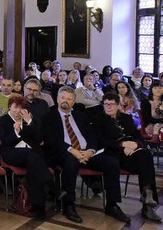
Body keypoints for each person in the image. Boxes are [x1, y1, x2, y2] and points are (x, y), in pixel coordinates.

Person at [41, 86, 129, 224]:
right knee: (71, 161)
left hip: (86, 153)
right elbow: (51, 140)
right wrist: (72, 150)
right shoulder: (48, 117)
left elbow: (92, 136)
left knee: (112, 163)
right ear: (57, 99)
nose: (66, 101)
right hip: (63, 152)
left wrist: (90, 151)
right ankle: (69, 204)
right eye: (63, 97)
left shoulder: (81, 116)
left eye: (69, 99)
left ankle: (112, 205)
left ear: (74, 102)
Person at [92, 93, 161, 221]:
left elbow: (139, 136)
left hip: (131, 153)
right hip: (112, 153)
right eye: (106, 104)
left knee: (145, 155)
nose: (108, 107)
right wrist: (122, 144)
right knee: (144, 165)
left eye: (112, 104)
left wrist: (135, 144)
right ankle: (142, 204)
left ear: (118, 105)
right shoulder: (98, 119)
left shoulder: (126, 118)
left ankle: (147, 200)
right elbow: (100, 141)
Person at [0, 96, 60, 220]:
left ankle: (39, 210)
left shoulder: (30, 119)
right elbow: (5, 141)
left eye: (21, 108)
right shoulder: (2, 120)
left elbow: (38, 139)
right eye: (15, 107)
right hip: (12, 153)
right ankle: (53, 186)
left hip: (32, 155)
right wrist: (16, 132)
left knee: (34, 170)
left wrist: (29, 122)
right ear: (10, 106)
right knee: (32, 156)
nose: (18, 110)